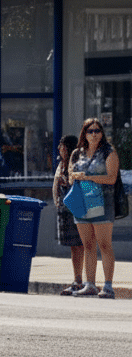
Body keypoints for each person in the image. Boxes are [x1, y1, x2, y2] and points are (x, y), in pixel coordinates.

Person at [69, 118, 119, 298]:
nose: (94, 134)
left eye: (97, 130)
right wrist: (76, 176)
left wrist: (89, 177)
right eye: (90, 131)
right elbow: (70, 177)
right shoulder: (77, 153)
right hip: (81, 202)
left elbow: (111, 178)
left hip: (102, 202)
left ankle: (108, 286)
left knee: (104, 245)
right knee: (87, 245)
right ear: (84, 133)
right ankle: (90, 284)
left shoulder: (108, 152)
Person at [50, 134, 85, 295]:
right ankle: (77, 279)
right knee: (73, 247)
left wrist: (68, 181)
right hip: (64, 209)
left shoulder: (77, 162)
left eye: (62, 146)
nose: (59, 149)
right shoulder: (61, 164)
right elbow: (56, 184)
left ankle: (84, 281)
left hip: (77, 209)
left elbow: (80, 182)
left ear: (68, 147)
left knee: (81, 245)